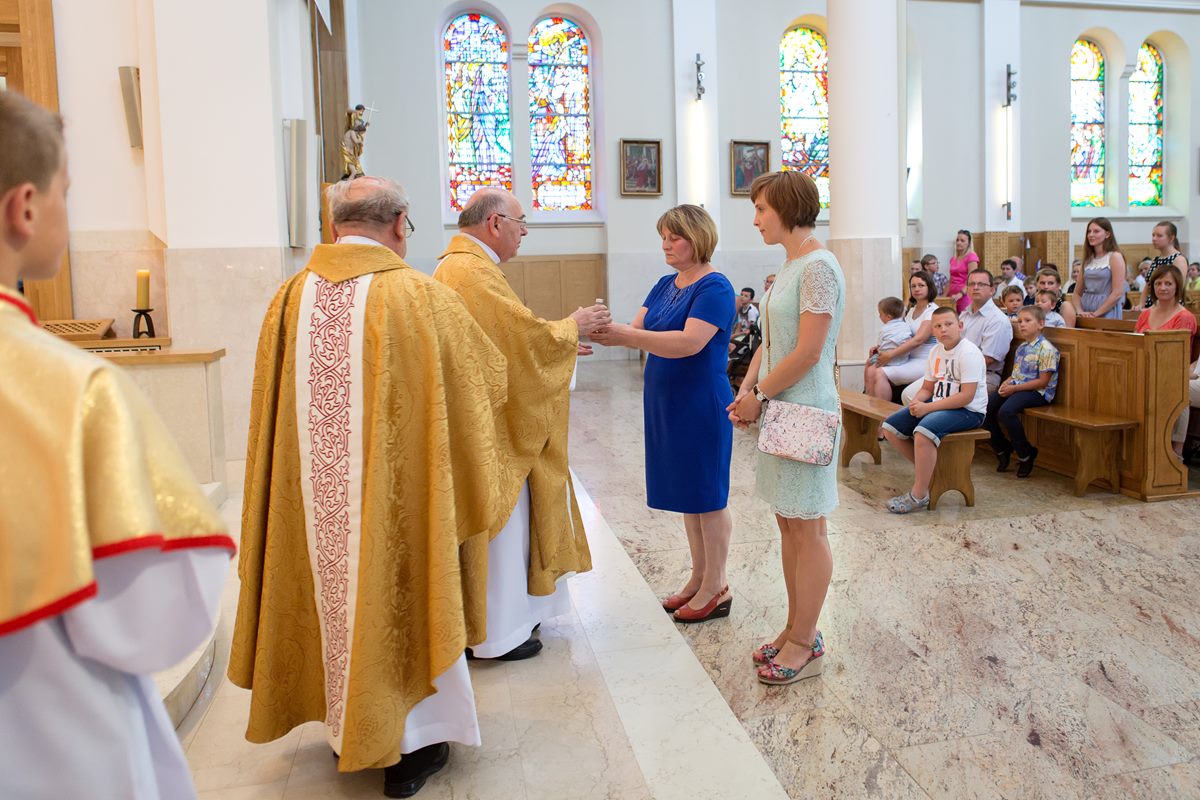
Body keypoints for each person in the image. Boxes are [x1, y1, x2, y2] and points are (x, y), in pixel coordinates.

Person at [230, 177, 510, 796]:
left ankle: (345, 726)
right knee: (402, 591)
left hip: (312, 508)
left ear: (335, 227)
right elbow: (484, 387)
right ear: (400, 224)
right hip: (402, 506)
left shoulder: (289, 298)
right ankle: (412, 743)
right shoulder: (421, 296)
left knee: (329, 587)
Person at [0, 90, 235, 799]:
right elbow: (154, 621)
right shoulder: (68, 388)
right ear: (25, 208)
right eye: (67, 191)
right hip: (48, 737)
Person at [435, 188, 602, 661]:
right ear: (494, 223)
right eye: (521, 222)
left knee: (509, 526)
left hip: (489, 417)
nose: (525, 231)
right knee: (504, 529)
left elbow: (508, 337)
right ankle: (498, 632)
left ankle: (508, 621)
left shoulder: (465, 265)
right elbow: (518, 340)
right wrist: (572, 325)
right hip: (494, 430)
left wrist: (560, 344)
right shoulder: (470, 271)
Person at [589, 205, 736, 622]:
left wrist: (625, 335)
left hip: (700, 401)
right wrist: (600, 333)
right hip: (665, 402)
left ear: (698, 238)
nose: (666, 245)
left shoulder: (715, 287)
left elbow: (689, 342)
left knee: (708, 495)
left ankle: (717, 586)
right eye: (663, 238)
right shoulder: (664, 284)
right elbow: (639, 330)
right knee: (690, 495)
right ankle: (698, 578)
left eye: (675, 237)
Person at [726, 170, 844, 686]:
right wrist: (747, 389)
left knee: (808, 527)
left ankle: (805, 641)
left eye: (761, 210)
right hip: (780, 405)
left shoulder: (818, 267)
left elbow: (810, 352)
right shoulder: (792, 263)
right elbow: (772, 343)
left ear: (789, 208)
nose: (755, 220)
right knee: (788, 523)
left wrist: (760, 395)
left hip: (806, 409)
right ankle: (796, 627)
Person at [881, 306, 988, 514]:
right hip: (940, 403)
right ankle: (932, 470)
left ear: (960, 325)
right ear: (933, 330)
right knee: (890, 428)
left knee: (923, 432)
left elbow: (966, 396)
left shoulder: (969, 353)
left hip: (969, 411)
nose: (943, 329)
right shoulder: (935, 351)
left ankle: (919, 495)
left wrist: (927, 407)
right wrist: (916, 403)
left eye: (948, 324)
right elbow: (927, 388)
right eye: (937, 326)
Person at [985, 306, 1060, 477]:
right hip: (1018, 387)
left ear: (1041, 324)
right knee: (985, 409)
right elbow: (1017, 374)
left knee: (1006, 411)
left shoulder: (1047, 349)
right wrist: (1007, 382)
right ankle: (1002, 448)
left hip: (1038, 392)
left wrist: (1014, 388)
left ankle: (1025, 453)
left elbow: (1043, 381)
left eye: (1027, 321)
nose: (1022, 325)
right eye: (1019, 321)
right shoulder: (1022, 347)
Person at [1135, 265, 1199, 458]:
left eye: (1168, 284)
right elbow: (1135, 344)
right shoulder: (1145, 314)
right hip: (1142, 368)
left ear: (1177, 286)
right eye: (1158, 283)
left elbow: (1178, 355)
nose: (1162, 287)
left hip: (1170, 371)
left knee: (1175, 389)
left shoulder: (1184, 317)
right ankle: (1138, 444)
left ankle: (1175, 451)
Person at [864, 271, 937, 403]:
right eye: (913, 286)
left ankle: (882, 413)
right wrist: (882, 348)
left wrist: (890, 355)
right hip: (907, 358)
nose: (917, 289)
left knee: (880, 372)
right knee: (871, 366)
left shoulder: (932, 311)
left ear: (929, 287)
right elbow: (899, 334)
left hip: (924, 361)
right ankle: (869, 409)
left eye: (921, 285)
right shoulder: (911, 310)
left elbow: (918, 340)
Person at [1074, 217, 1126, 320]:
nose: (1091, 235)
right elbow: (1076, 293)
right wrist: (1079, 311)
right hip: (1086, 309)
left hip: (1106, 310)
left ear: (1107, 234)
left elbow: (1117, 293)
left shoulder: (1115, 257)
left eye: (1096, 231)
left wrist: (1096, 314)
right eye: (1089, 231)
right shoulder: (1088, 260)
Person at [1142, 221, 1188, 309]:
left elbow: (1178, 289)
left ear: (1171, 238)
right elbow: (1148, 285)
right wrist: (1141, 304)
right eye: (1153, 235)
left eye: (1159, 236)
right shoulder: (1155, 260)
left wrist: (1154, 308)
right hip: (1152, 305)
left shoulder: (1179, 259)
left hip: (1169, 307)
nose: (1154, 239)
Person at [871, 296, 912, 366]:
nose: (879, 316)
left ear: (888, 317)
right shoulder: (906, 326)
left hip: (886, 360)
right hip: (904, 360)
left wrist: (874, 351)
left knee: (870, 362)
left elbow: (879, 346)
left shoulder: (884, 329)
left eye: (880, 314)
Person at [948, 231, 978, 312]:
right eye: (957, 240)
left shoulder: (971, 257)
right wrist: (943, 296)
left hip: (964, 295)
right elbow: (950, 280)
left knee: (964, 318)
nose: (958, 243)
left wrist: (960, 294)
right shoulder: (953, 258)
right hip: (952, 295)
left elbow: (972, 279)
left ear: (969, 243)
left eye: (962, 241)